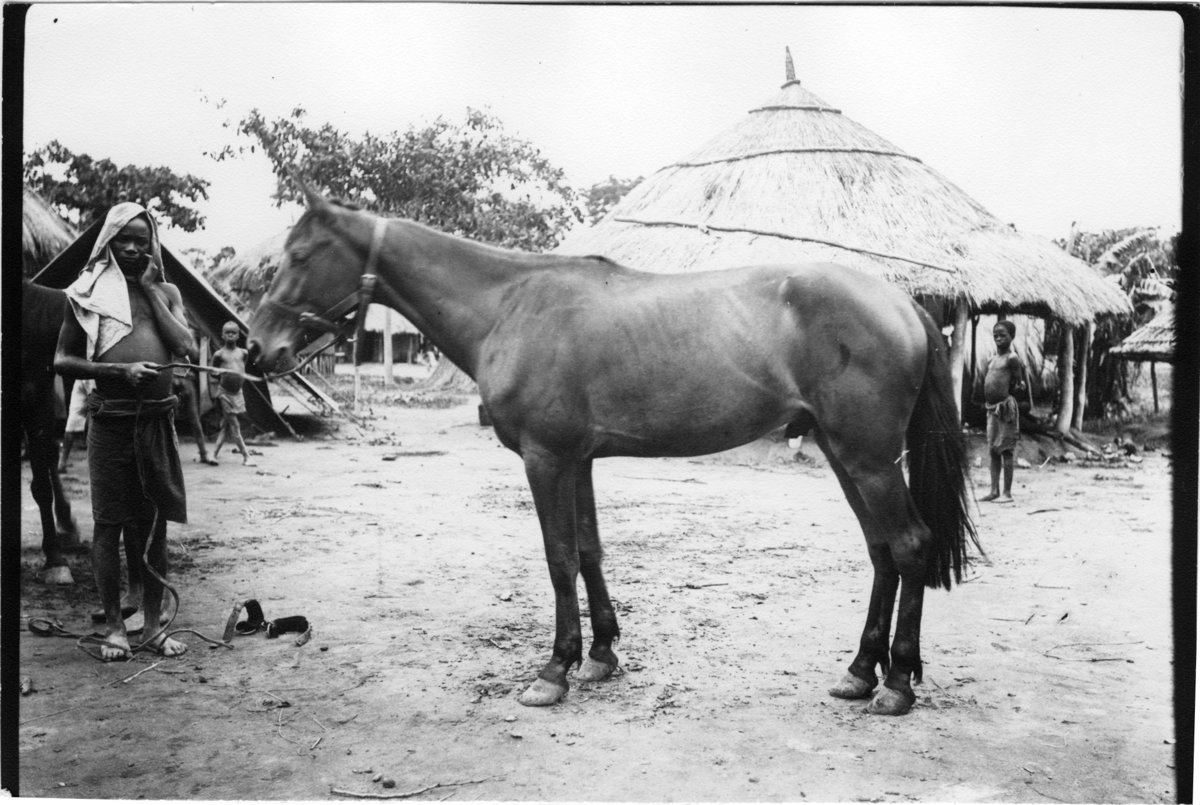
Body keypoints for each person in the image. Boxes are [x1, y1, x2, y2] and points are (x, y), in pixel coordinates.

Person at [54, 202, 192, 659]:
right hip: (111, 421)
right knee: (109, 524)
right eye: (123, 240)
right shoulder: (87, 293)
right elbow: (63, 360)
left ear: (153, 245)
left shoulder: (166, 291)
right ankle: (115, 628)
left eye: (141, 240)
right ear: (108, 243)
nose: (132, 248)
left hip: (157, 421)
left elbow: (185, 346)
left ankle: (152, 628)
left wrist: (151, 290)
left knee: (154, 529)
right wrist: (118, 371)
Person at [980, 320, 1032, 502]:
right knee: (993, 450)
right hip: (992, 410)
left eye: (1003, 335)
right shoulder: (992, 360)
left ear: (1012, 336)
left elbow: (1019, 386)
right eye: (995, 335)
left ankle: (1007, 493)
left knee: (1006, 450)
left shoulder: (1012, 358)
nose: (998, 338)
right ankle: (994, 491)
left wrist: (1018, 388)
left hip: (1006, 409)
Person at [210, 321, 257, 466]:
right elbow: (212, 372)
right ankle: (246, 457)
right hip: (225, 393)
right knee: (235, 425)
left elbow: (242, 369)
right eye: (227, 332)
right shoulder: (219, 354)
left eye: (233, 333)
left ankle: (213, 455)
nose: (230, 335)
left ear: (238, 336)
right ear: (223, 335)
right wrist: (220, 372)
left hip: (237, 393)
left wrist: (236, 375)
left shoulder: (243, 353)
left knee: (225, 426)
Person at [173, 366, 217, 465]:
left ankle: (203, 453)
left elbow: (193, 357)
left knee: (194, 419)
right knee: (167, 418)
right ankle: (167, 455)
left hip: (187, 380)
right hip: (170, 379)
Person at [57, 378, 94, 472]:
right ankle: (62, 463)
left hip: (90, 379)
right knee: (71, 425)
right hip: (86, 379)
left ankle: (62, 463)